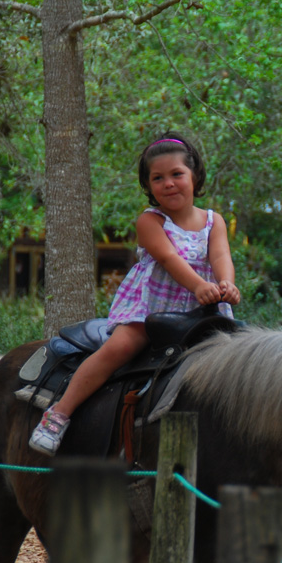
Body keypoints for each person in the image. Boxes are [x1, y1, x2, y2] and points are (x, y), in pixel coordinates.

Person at [29, 133, 241, 455]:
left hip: (203, 310)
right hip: (153, 309)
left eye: (176, 174)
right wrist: (199, 285)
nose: (168, 183)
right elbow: (170, 260)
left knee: (240, 356)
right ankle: (58, 415)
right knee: (120, 348)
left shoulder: (214, 221)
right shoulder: (150, 221)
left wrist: (226, 284)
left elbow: (221, 256)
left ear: (194, 176)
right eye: (158, 178)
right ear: (148, 185)